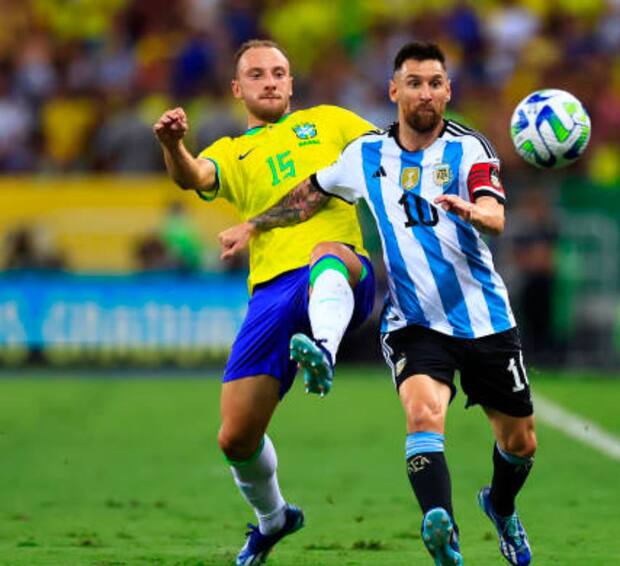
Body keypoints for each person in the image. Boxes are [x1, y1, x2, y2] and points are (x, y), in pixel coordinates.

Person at [221, 41, 536, 566]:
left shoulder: (470, 149)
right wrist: (252, 224)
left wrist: (477, 214)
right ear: (394, 91)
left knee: (520, 442)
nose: (426, 93)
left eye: (436, 83)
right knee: (422, 414)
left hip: (484, 318)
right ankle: (443, 527)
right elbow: (310, 195)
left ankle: (500, 506)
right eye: (414, 83)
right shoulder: (367, 155)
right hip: (413, 320)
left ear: (448, 91)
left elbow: (495, 212)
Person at [152, 39, 377, 565]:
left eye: (279, 72)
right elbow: (194, 177)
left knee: (325, 254)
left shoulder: (331, 122)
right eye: (257, 74)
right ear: (238, 89)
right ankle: (274, 519)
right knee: (235, 437)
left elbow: (390, 154)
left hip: (343, 268)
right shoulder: (233, 151)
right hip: (272, 293)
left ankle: (323, 350)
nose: (270, 80)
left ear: (292, 83)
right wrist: (172, 145)